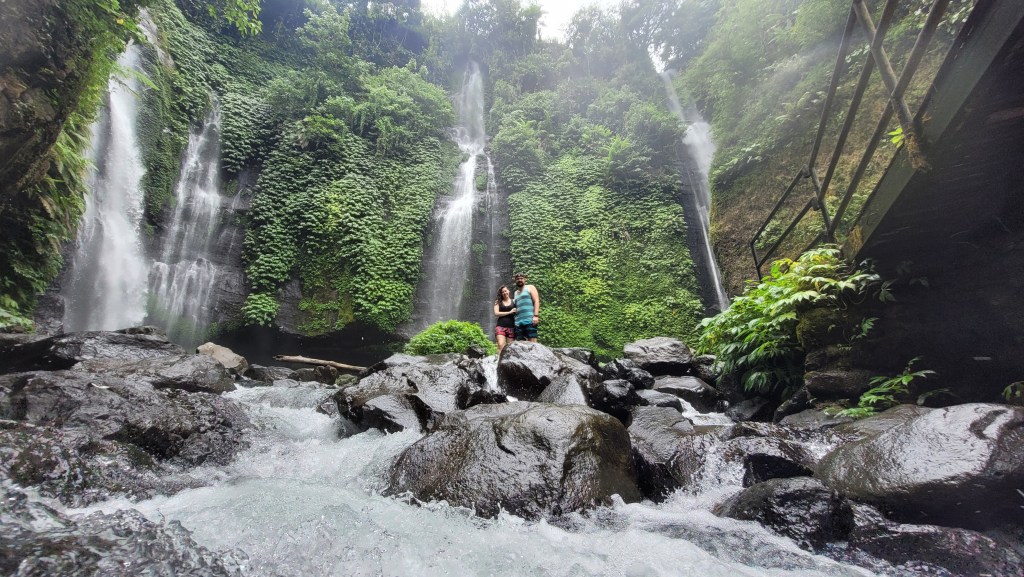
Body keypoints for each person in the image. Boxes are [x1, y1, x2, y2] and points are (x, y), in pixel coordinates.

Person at [512, 272, 540, 342]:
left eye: (521, 278)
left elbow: (536, 301)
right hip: (518, 322)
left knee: (532, 343)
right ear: (515, 280)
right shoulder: (515, 293)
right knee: (520, 344)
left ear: (525, 279)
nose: (520, 280)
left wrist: (536, 316)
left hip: (529, 320)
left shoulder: (530, 287)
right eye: (518, 279)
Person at [493, 285, 516, 352]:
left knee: (510, 348)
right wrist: (509, 312)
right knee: (500, 345)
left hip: (511, 327)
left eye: (505, 291)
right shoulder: (498, 302)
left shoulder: (514, 301)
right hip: (501, 326)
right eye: (502, 292)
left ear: (508, 291)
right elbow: (496, 313)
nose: (504, 293)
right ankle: (499, 358)